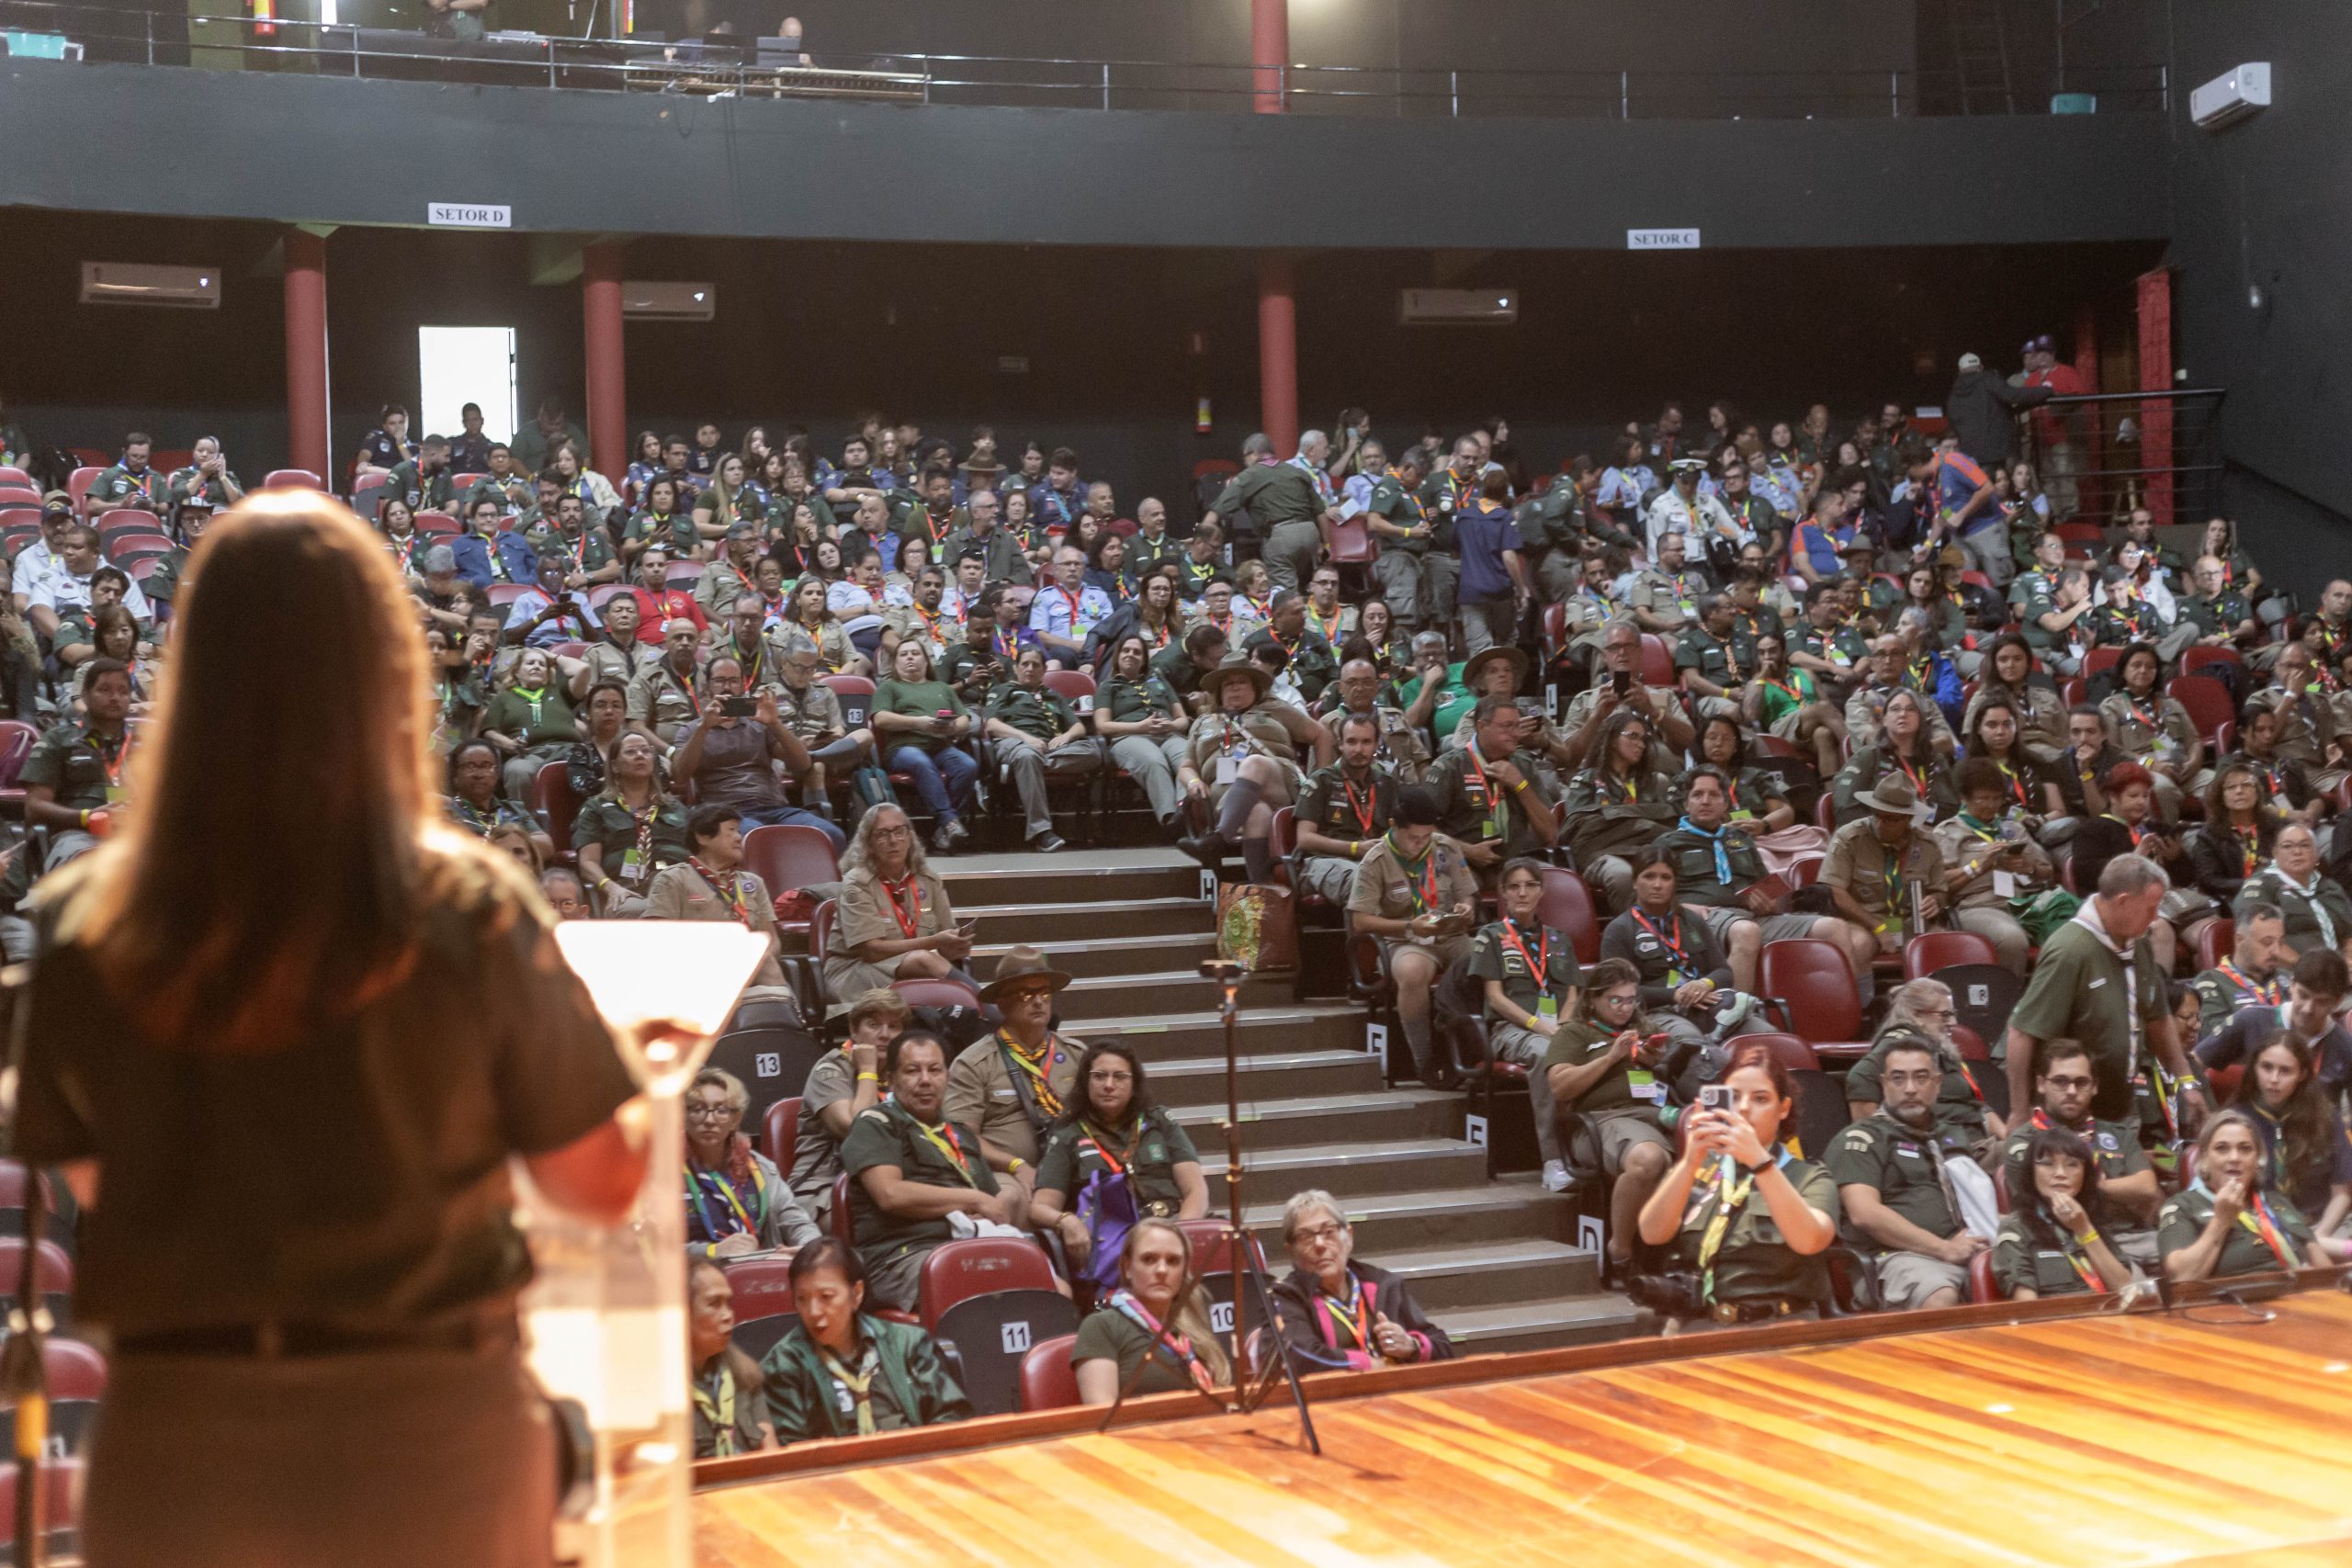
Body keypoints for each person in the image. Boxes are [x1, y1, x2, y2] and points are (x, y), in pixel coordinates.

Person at [15, 491, 647, 1567]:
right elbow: (597, 1184)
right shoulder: (473, 910)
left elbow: (93, 1182)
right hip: (430, 1436)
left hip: (179, 1445)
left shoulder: (80, 924)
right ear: (387, 674)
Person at [1635, 1041, 1838, 1330]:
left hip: (1778, 1326)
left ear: (1783, 1108)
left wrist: (1760, 1163)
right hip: (1696, 1322)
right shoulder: (1699, 1169)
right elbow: (1652, 1233)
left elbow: (1810, 1240)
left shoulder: (1808, 1176)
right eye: (1734, 1097)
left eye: (1760, 1099)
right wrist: (1689, 1162)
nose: (1744, 1109)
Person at [2007, 854, 2209, 1133]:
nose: (2155, 919)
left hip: (2122, 1110)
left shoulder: (2139, 944)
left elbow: (2158, 1019)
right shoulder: (2070, 950)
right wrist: (2019, 1112)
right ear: (2123, 901)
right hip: (2068, 1118)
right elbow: (2021, 1033)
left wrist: (2186, 1082)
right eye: (2150, 908)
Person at [839, 1028, 1014, 1312]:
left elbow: (992, 1205)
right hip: (901, 1257)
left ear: (947, 1077)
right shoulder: (876, 1123)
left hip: (968, 1244)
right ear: (891, 1080)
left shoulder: (960, 1134)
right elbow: (890, 1194)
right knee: (976, 1283)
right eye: (912, 1071)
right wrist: (972, 1199)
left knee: (1048, 1282)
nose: (925, 1080)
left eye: (934, 1070)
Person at [1661, 764, 1871, 992]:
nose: (1705, 800)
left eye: (1713, 795)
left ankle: (1852, 1009)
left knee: (1834, 927)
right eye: (1697, 795)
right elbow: (1647, 897)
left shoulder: (1741, 838)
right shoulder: (1669, 843)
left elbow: (1768, 890)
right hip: (1706, 917)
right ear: (1686, 803)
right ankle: (1736, 1017)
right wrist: (1682, 905)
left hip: (1754, 916)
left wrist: (1768, 904)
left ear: (1724, 804)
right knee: (1747, 932)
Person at [1826, 1032, 1986, 1311]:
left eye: (1921, 1077)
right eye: (1899, 1079)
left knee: (2035, 1267)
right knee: (1940, 1294)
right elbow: (1864, 1214)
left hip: (1964, 1245)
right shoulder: (1862, 1139)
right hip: (1896, 1259)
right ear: (1884, 1084)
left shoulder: (1951, 1134)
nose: (1910, 1088)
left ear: (1937, 1084)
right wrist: (1944, 1248)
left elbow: (1975, 1199)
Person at [758, 1238, 972, 1441]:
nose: (813, 1312)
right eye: (802, 1299)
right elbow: (792, 1451)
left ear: (857, 1294)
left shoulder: (908, 1342)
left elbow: (950, 1414)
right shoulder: (783, 1365)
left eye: (826, 1297)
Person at [1542, 957, 1676, 1273]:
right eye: (1615, 1000)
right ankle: (1621, 1250)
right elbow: (1560, 1087)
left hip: (1655, 1113)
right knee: (1648, 1159)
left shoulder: (1642, 1028)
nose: (1624, 1008)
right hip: (1602, 1121)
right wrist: (1611, 1058)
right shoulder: (1574, 1033)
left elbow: (1665, 1070)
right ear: (1593, 998)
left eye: (1630, 1000)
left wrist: (1655, 1059)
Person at [1030, 1043, 1208, 1280]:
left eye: (1120, 1077)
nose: (1109, 1085)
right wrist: (1067, 1220)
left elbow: (1196, 1189)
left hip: (1172, 1223)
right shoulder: (1068, 1134)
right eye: (1099, 1076)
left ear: (1134, 1085)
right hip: (1115, 1239)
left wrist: (1179, 1234)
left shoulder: (1159, 1121)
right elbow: (1040, 1207)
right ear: (1085, 1083)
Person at [1350, 785, 1480, 1088]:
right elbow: (1359, 920)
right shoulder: (1376, 860)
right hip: (1404, 941)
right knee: (1411, 973)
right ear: (1394, 826)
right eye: (1413, 838)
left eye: (1426, 836)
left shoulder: (1445, 847)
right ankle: (1424, 1060)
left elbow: (1468, 894)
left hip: (1450, 935)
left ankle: (1475, 1050)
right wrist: (1409, 927)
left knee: (1488, 960)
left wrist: (1466, 909)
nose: (1420, 844)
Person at [1469, 856, 1587, 1188]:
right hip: (1513, 1030)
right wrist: (1540, 1026)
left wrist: (1562, 1027)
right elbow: (1495, 997)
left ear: (1541, 891)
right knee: (1546, 1054)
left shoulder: (1559, 938)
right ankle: (1553, 1161)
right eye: (1514, 887)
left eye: (1530, 885)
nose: (1523, 893)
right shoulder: (1489, 936)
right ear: (1503, 893)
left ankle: (1589, 1151)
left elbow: (1574, 995)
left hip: (1560, 1028)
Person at [946, 947, 1084, 1215]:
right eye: (1026, 993)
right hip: (1007, 1170)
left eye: (1044, 993)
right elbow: (963, 1138)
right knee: (1008, 1199)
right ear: (1002, 1003)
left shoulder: (1076, 1054)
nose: (1038, 1001)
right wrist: (1016, 1164)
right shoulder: (974, 1062)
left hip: (1073, 1160)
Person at [1269, 1190, 1454, 1371]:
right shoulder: (1287, 1297)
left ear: (1348, 1237)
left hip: (1400, 1391)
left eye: (1329, 1231)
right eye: (1306, 1237)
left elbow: (1442, 1345)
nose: (1320, 1244)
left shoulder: (1383, 1284)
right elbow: (1302, 1356)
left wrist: (1412, 1346)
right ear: (1291, 1251)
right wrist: (1366, 1365)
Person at [1178, 655, 1313, 884]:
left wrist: (1319, 779)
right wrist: (1192, 782)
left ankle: (1217, 839)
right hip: (1226, 795)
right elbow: (1187, 766)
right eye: (1228, 684)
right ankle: (1261, 893)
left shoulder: (1275, 709)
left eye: (1242, 682)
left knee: (1254, 763)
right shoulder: (1202, 722)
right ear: (1219, 691)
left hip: (1277, 782)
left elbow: (1321, 735)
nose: (1235, 688)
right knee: (1256, 812)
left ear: (1255, 686)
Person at [1070, 1219, 1231, 1404]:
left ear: (1184, 1269)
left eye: (1173, 1261)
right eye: (1149, 1259)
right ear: (1127, 1267)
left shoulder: (1194, 1325)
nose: (1162, 1270)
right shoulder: (1101, 1326)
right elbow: (1100, 1413)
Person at [2158, 1111, 2331, 1280]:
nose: (2234, 1157)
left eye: (2245, 1149)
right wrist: (2221, 1220)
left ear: (2257, 1160)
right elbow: (2181, 1277)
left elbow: (2325, 1269)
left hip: (2299, 1296)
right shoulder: (2183, 1206)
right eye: (2222, 1149)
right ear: (2205, 1159)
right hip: (2234, 1303)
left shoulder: (2275, 1201)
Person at [642, 805, 790, 992]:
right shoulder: (673, 879)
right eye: (731, 830)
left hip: (751, 972)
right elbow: (658, 941)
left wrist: (753, 961)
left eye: (739, 831)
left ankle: (782, 1014)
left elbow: (771, 939)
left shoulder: (753, 883)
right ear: (703, 837)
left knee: (766, 959)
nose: (739, 838)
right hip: (694, 975)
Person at [2222, 1028, 2352, 1241]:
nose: (2274, 1079)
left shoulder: (2326, 1116)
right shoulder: (2234, 1121)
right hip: (2256, 1229)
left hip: (2323, 1225)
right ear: (2254, 1067)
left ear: (2301, 1074)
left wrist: (2317, 1238)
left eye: (2285, 1071)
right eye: (2267, 1067)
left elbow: (2343, 1193)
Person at [1930, 758, 2055, 974]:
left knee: (2070, 934)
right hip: (1976, 907)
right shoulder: (1949, 832)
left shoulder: (2013, 829)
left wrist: (2029, 868)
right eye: (1983, 799)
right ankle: (2008, 1002)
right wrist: (1980, 865)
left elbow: (2048, 873)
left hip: (2022, 904)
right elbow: (1938, 884)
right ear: (1964, 798)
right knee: (2011, 940)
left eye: (1996, 798)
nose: (1991, 805)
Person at [684, 1066, 821, 1263]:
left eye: (721, 1110)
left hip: (760, 1271)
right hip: (695, 1279)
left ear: (735, 1119)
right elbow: (651, 1248)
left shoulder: (760, 1169)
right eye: (697, 1109)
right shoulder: (663, 1174)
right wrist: (712, 1251)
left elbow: (796, 1221)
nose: (709, 1120)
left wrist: (808, 1247)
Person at [1991, 1125, 2143, 1301]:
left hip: (2107, 1319)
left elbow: (2125, 1289)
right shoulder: (2015, 1228)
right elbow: (2028, 1310)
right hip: (2055, 1323)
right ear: (2030, 1172)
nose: (2061, 1173)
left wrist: (2084, 1229)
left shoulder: (2089, 1219)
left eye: (2072, 1164)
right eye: (2048, 1163)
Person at [1430, 692, 1565, 889]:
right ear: (1481, 726)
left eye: (1517, 726)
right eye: (1507, 727)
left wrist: (1520, 785)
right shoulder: (1451, 767)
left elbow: (1549, 833)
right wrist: (1467, 851)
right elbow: (1422, 828)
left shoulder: (1524, 765)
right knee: (1461, 887)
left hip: (1515, 862)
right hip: (1463, 862)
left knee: (1557, 884)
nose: (1515, 733)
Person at [1821, 773, 1946, 978]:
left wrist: (1935, 900)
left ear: (1908, 818)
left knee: (1948, 945)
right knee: (1855, 946)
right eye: (1876, 815)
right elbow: (1834, 890)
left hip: (1911, 923)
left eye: (1890, 819)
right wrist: (1877, 927)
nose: (1880, 823)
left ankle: (1936, 1004)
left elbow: (1940, 890)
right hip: (1863, 922)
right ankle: (1859, 1006)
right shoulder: (1850, 837)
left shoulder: (1927, 845)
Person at [982, 645, 1099, 852]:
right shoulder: (1003, 690)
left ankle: (1029, 767)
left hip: (1050, 748)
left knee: (1093, 751)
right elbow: (991, 725)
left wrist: (1066, 736)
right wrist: (1026, 738)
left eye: (1035, 665)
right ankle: (1042, 832)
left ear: (1044, 670)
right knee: (1027, 755)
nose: (1029, 668)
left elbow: (1078, 726)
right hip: (1014, 742)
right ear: (1016, 668)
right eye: (1024, 664)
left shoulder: (1053, 696)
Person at [869, 638, 979, 852]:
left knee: (967, 765)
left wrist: (952, 728)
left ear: (926, 661)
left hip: (940, 746)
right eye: (904, 654)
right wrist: (919, 722)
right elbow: (880, 719)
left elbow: (965, 720)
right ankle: (949, 821)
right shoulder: (889, 686)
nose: (910, 657)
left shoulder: (941, 688)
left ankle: (944, 828)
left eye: (915, 653)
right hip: (903, 748)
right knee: (921, 761)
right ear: (895, 663)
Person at [1092, 631, 1203, 833]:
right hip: (1129, 737)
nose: (1130, 655)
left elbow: (1182, 721)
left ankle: (1185, 812)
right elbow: (1102, 726)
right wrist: (1140, 727)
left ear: (1144, 659)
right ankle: (1170, 820)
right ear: (1118, 656)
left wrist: (1170, 726)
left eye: (1137, 652)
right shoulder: (1108, 686)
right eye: (1126, 650)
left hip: (1168, 734)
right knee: (1154, 761)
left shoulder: (1159, 681)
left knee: (1188, 760)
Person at [1292, 711, 1401, 905]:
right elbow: (1304, 839)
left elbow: (1397, 830)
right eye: (1351, 742)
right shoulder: (1321, 780)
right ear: (1340, 745)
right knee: (1362, 879)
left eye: (1366, 742)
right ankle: (1364, 935)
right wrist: (1354, 848)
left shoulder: (1386, 783)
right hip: (1321, 861)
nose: (1359, 749)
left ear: (1376, 745)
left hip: (1372, 859)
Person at [688, 1260, 772, 1458]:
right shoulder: (656, 1396)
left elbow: (771, 1456)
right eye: (714, 1304)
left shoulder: (745, 1376)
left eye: (729, 1304)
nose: (728, 1316)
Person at [2236, 821, 2352, 962]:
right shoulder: (2262, 885)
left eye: (2305, 845)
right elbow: (2258, 938)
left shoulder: (2331, 888)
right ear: (2275, 854)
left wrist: (2348, 963)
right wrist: (2307, 970)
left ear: (2316, 854)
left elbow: (2349, 935)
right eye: (2287, 846)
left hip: (2337, 973)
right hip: (2289, 974)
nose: (2297, 852)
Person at [2187, 900, 2288, 1036]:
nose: (2276, 951)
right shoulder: (2211, 983)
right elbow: (2217, 1040)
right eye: (2267, 942)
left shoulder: (2288, 981)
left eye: (2280, 943)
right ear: (2239, 940)